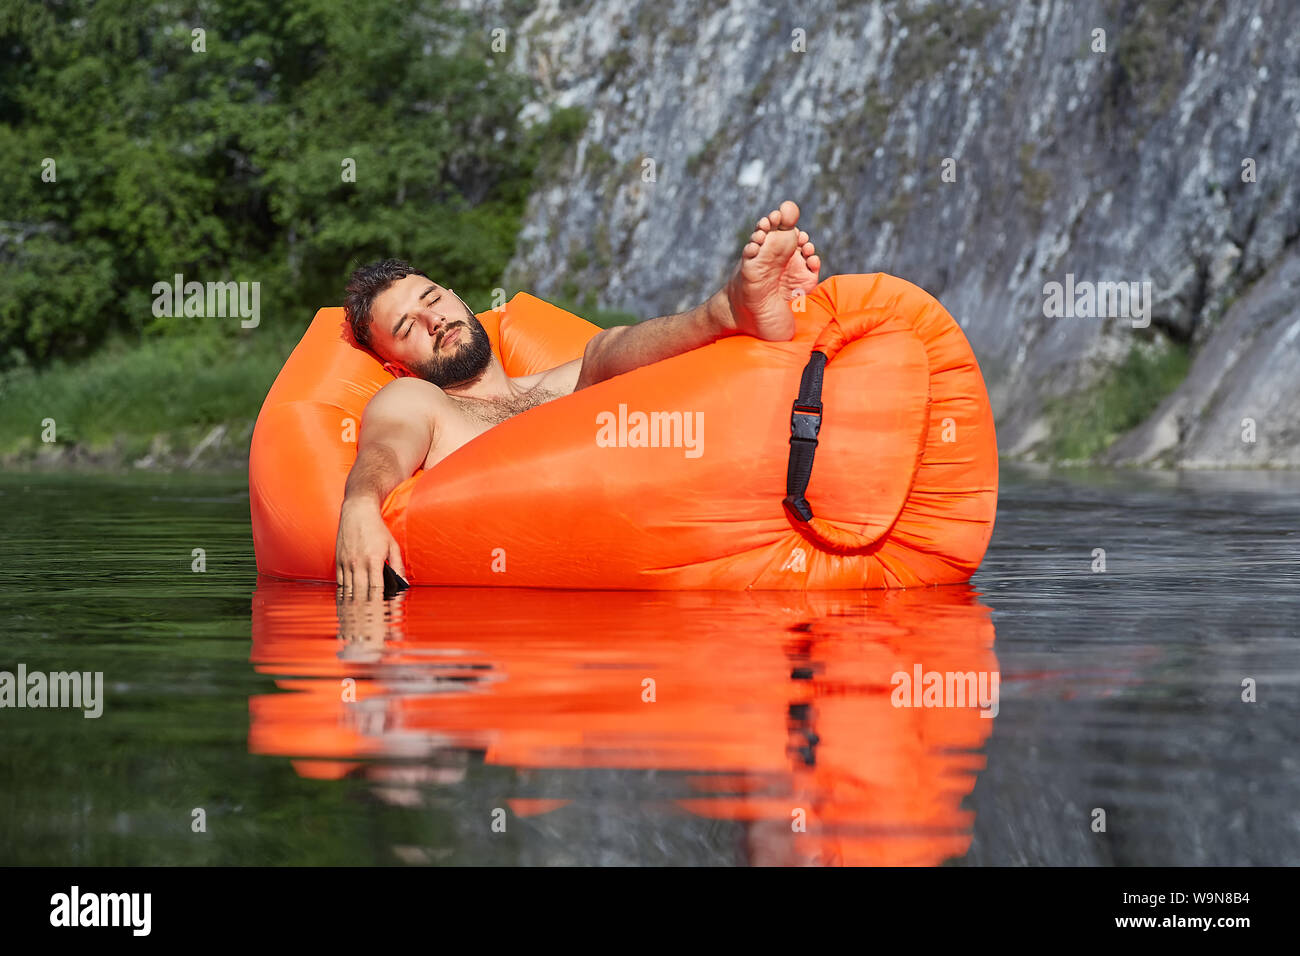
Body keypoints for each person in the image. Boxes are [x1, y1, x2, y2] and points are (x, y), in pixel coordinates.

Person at [336, 200, 821, 592]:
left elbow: (630, 365)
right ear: (396, 364)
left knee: (602, 352)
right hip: (537, 619)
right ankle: (733, 311)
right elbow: (384, 448)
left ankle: (735, 315)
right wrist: (359, 505)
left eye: (433, 299)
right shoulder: (417, 400)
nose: (433, 320)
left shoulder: (570, 378)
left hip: (673, 542)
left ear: (459, 299)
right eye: (407, 327)